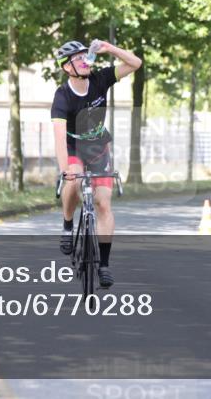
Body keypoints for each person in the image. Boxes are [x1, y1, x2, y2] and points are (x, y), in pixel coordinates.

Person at [52, 39, 142, 289]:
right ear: (67, 67)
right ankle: (68, 225)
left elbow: (135, 63)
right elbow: (59, 137)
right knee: (74, 176)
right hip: (74, 149)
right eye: (77, 58)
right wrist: (65, 170)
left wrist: (110, 49)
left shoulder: (101, 78)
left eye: (85, 55)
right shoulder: (62, 95)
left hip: (99, 149)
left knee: (103, 204)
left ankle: (103, 265)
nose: (84, 60)